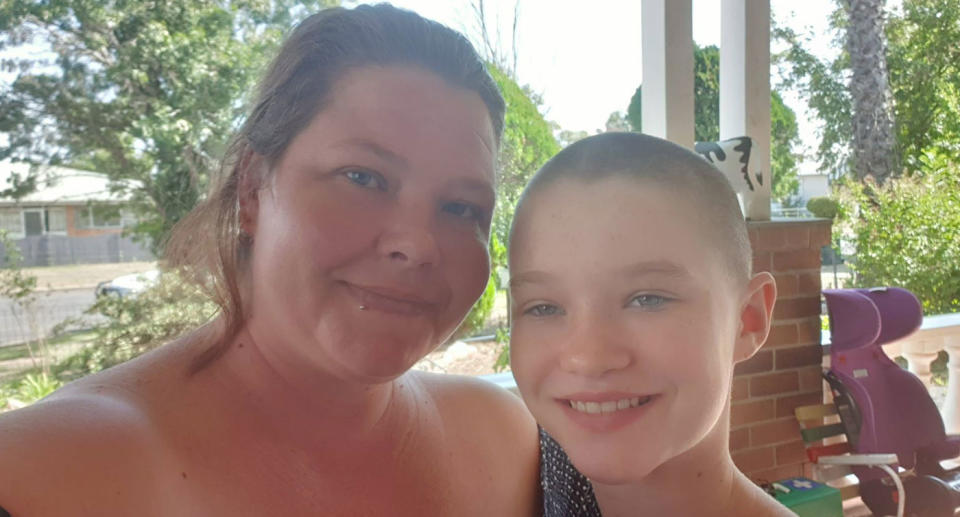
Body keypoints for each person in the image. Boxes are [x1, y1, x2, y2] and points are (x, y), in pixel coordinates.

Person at [0, 5, 539, 516]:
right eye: (363, 178)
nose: (419, 244)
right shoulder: (40, 474)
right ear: (253, 189)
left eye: (461, 207)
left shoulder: (504, 439)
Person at [508, 132, 793, 516]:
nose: (589, 358)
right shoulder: (514, 472)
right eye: (543, 308)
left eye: (648, 299)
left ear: (748, 320)